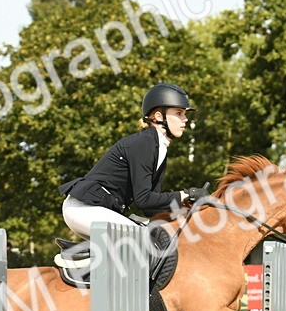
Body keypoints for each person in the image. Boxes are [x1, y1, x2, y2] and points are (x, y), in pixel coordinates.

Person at [58, 83, 211, 239]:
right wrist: (184, 195)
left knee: (157, 237)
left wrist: (186, 211)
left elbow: (151, 208)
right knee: (143, 241)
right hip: (84, 209)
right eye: (179, 113)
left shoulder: (159, 148)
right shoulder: (145, 143)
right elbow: (143, 200)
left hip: (94, 210)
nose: (185, 119)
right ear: (159, 116)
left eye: (184, 114)